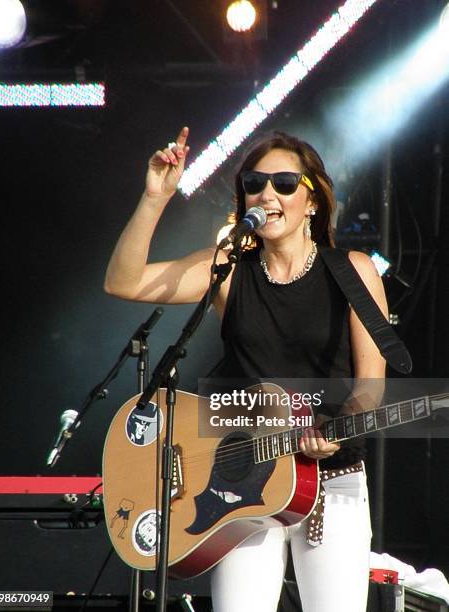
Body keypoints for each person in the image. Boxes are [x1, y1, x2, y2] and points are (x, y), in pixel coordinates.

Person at [104, 126, 388, 612]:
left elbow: (371, 385)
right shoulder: (230, 269)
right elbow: (123, 281)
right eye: (255, 182)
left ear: (312, 200)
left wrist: (337, 428)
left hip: (329, 481)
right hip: (241, 481)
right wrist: (155, 198)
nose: (267, 193)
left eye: (283, 182)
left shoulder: (352, 270)